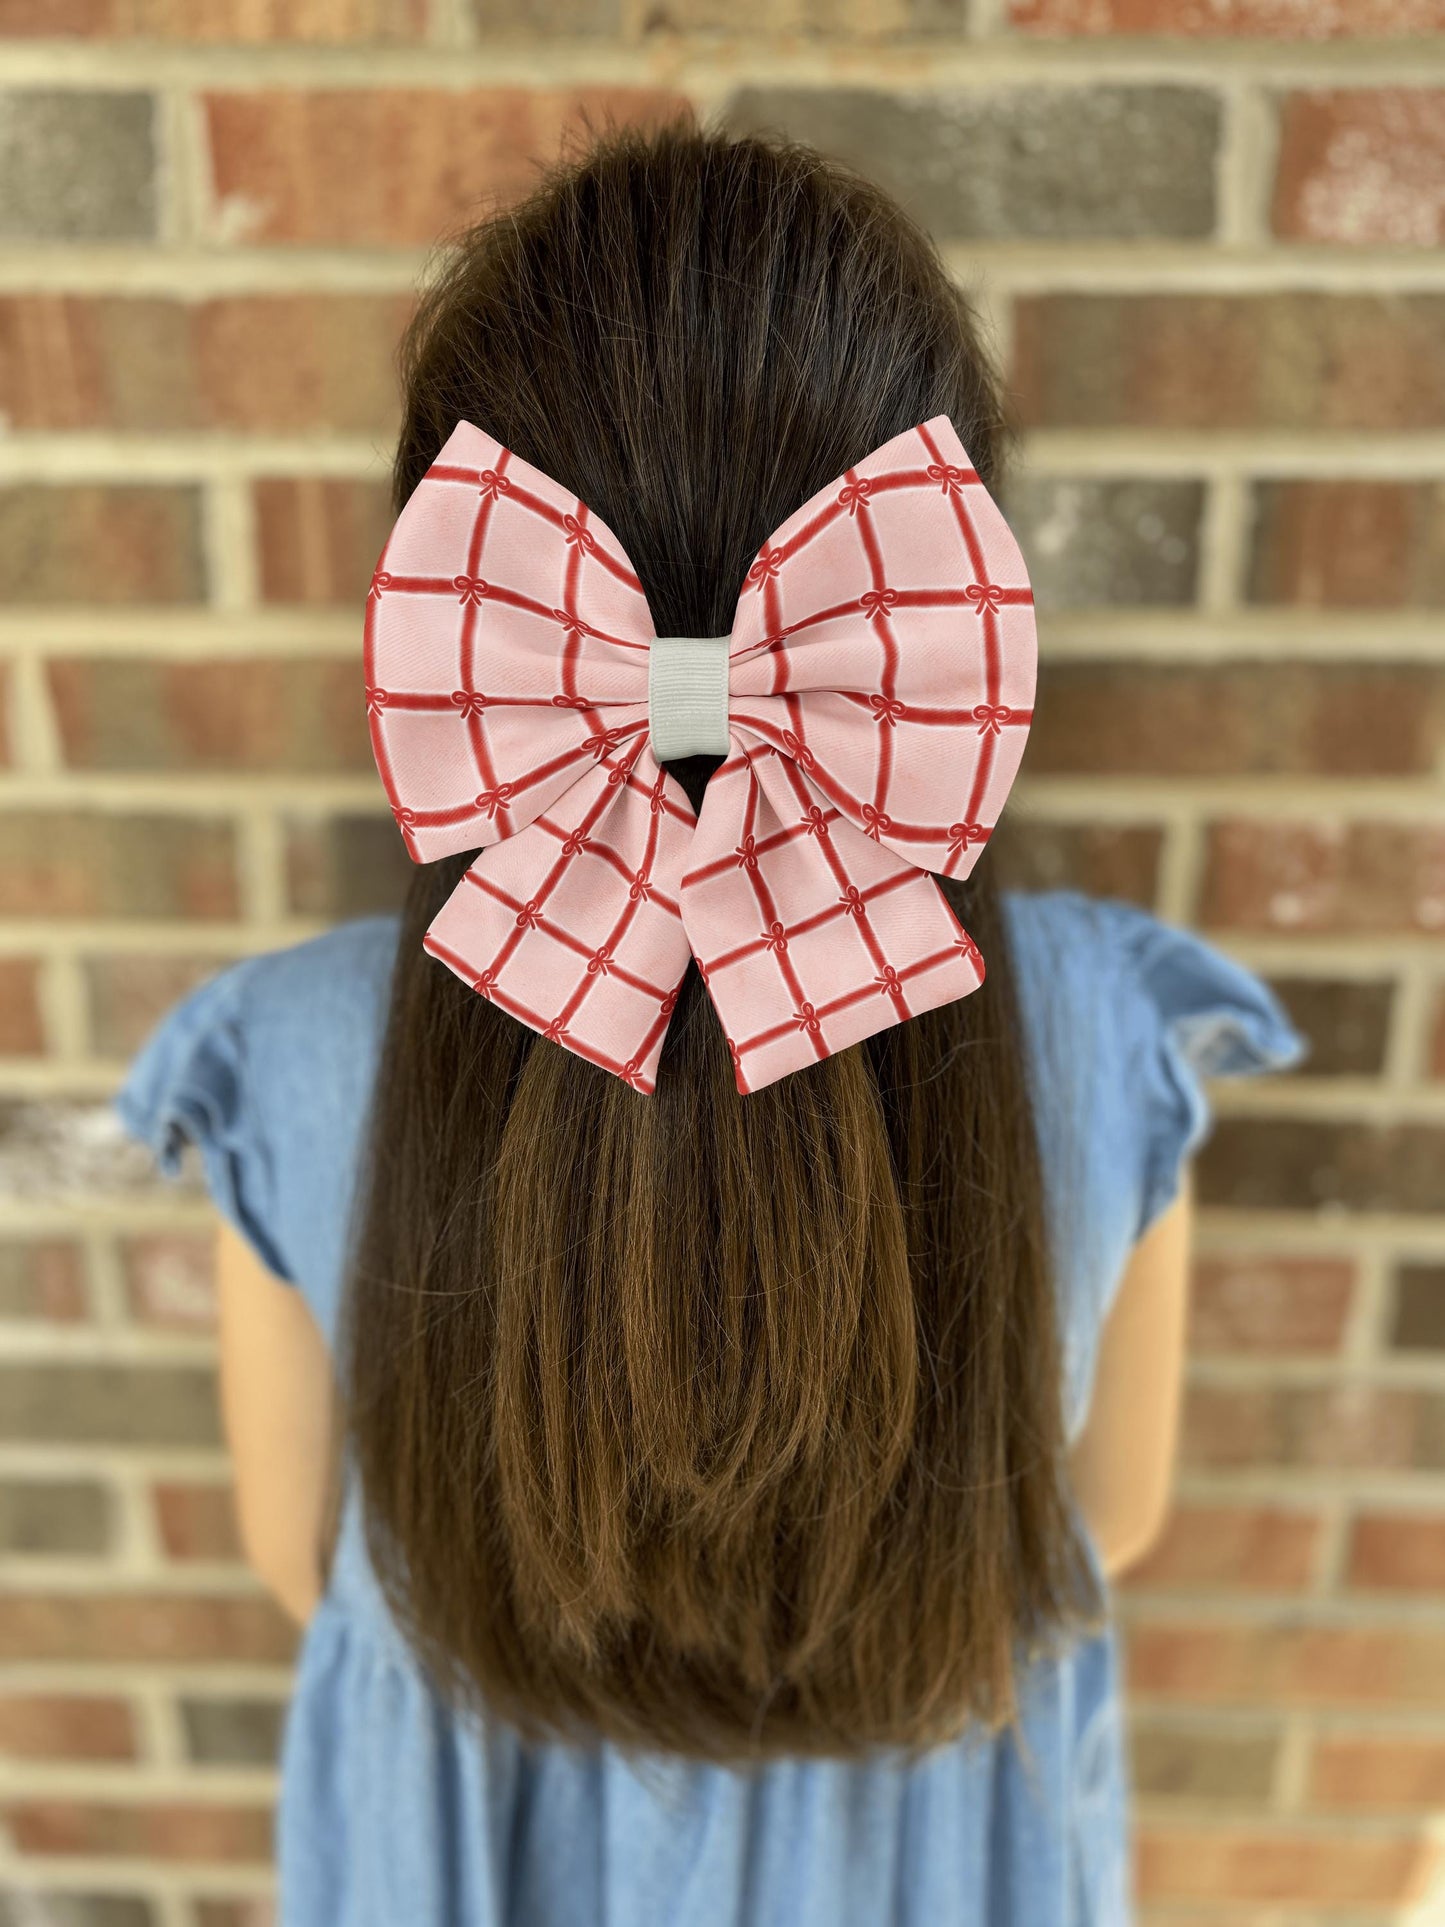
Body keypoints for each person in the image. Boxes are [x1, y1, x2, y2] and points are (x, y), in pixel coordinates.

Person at [116, 120, 1305, 1927]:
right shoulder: (1096, 1025)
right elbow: (1104, 1520)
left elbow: (311, 1563)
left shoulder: (286, 1054)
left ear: (459, 593)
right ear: (937, 602)